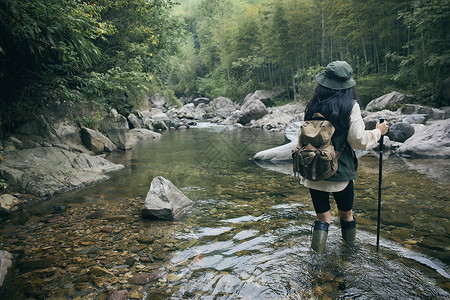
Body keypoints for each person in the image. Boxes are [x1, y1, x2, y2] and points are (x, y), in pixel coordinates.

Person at [299, 61, 389, 253]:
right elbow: (358, 141)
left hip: (313, 171)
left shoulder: (313, 104)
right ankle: (349, 255)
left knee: (323, 218)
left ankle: (317, 259)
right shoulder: (350, 105)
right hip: (339, 172)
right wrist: (379, 132)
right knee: (346, 214)